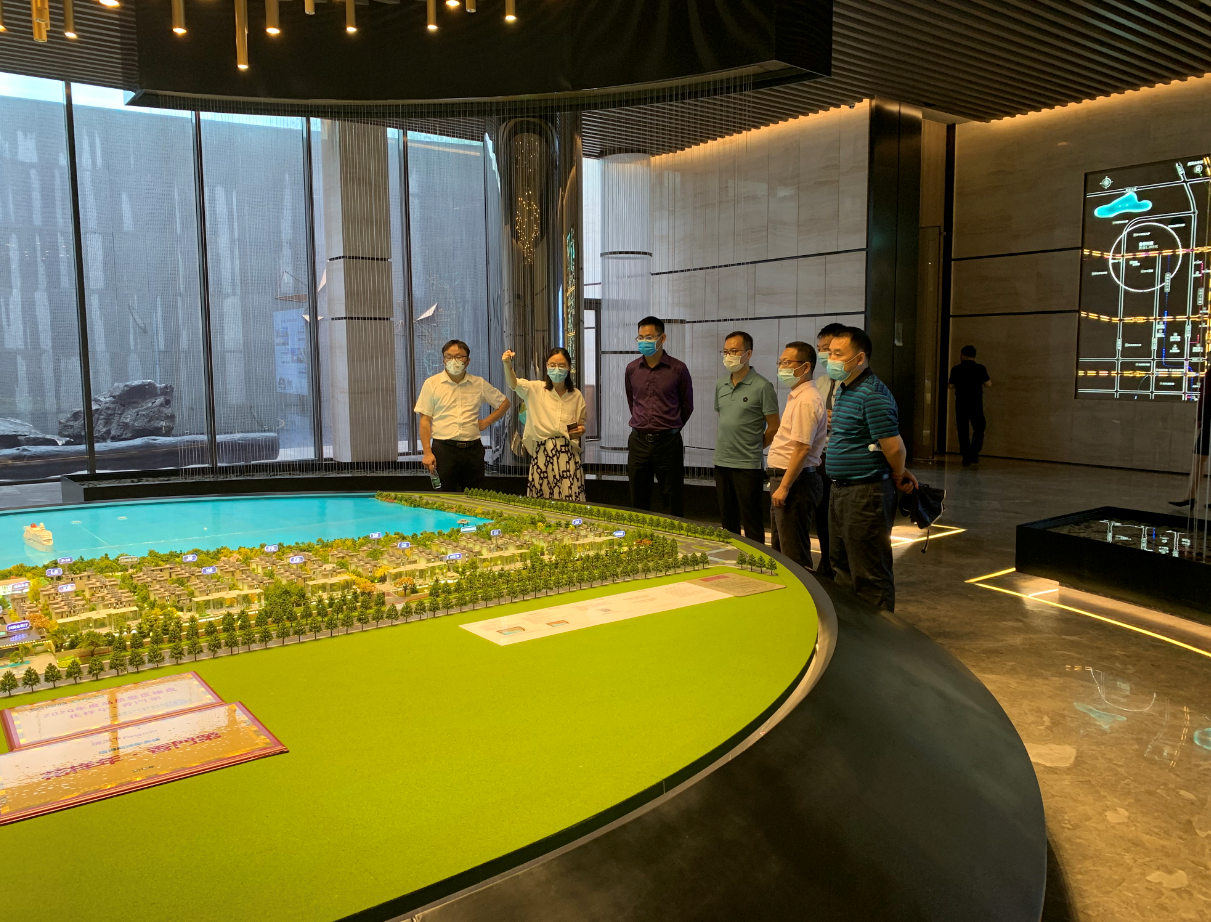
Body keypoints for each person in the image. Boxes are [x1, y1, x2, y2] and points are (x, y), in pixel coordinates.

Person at [824, 327, 918, 612]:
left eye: (838, 354)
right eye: (829, 353)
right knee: (841, 564)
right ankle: (853, 626)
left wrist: (899, 473)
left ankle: (879, 630)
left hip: (865, 494)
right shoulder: (846, 389)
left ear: (859, 358)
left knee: (869, 572)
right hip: (841, 490)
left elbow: (895, 448)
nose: (831, 359)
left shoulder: (872, 394)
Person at [416, 339, 510, 493]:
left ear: (467, 361)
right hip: (444, 450)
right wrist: (427, 453)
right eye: (449, 356)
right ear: (443, 360)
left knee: (475, 495)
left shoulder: (478, 383)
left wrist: (486, 422)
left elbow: (504, 403)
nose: (454, 361)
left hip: (473, 450)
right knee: (444, 495)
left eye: (459, 356)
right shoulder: (432, 384)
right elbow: (425, 421)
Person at [713, 331, 780, 543]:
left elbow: (774, 426)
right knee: (727, 520)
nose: (728, 356)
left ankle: (755, 559)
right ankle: (732, 556)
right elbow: (725, 418)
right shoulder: (721, 385)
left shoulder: (763, 386)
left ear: (748, 354)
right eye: (725, 352)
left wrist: (755, 446)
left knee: (751, 520)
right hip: (722, 461)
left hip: (748, 464)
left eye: (734, 351)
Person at [625, 316, 694, 517]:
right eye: (640, 337)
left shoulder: (678, 369)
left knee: (672, 500)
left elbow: (687, 406)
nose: (644, 341)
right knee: (638, 500)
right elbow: (632, 402)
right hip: (638, 442)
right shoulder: (631, 369)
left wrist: (670, 427)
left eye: (649, 337)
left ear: (662, 338)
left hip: (668, 443)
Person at [768, 342, 827, 569]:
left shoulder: (806, 400)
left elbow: (802, 448)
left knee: (794, 555)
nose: (781, 367)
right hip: (787, 479)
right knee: (781, 549)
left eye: (787, 363)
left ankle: (804, 591)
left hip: (796, 482)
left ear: (805, 367)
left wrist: (784, 486)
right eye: (780, 362)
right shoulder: (798, 396)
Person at [502, 347, 587, 501]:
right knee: (541, 498)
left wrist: (580, 430)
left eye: (561, 365)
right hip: (542, 452)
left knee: (569, 498)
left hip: (567, 454)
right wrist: (507, 365)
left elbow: (579, 424)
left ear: (569, 367)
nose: (557, 369)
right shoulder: (535, 389)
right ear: (547, 366)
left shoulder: (576, 395)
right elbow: (513, 383)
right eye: (552, 365)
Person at [813, 322, 849, 579]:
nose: (824, 354)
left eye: (829, 349)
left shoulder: (855, 385)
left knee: (841, 520)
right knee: (822, 516)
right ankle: (826, 564)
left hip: (844, 459)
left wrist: (838, 419)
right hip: (820, 458)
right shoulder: (820, 383)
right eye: (821, 349)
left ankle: (842, 570)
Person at [948, 344, 991, 467]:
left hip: (961, 403)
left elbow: (950, 386)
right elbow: (988, 384)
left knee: (963, 430)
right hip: (976, 403)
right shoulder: (980, 368)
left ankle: (966, 456)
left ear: (962, 355)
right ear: (974, 356)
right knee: (979, 427)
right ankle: (974, 452)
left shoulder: (956, 369)